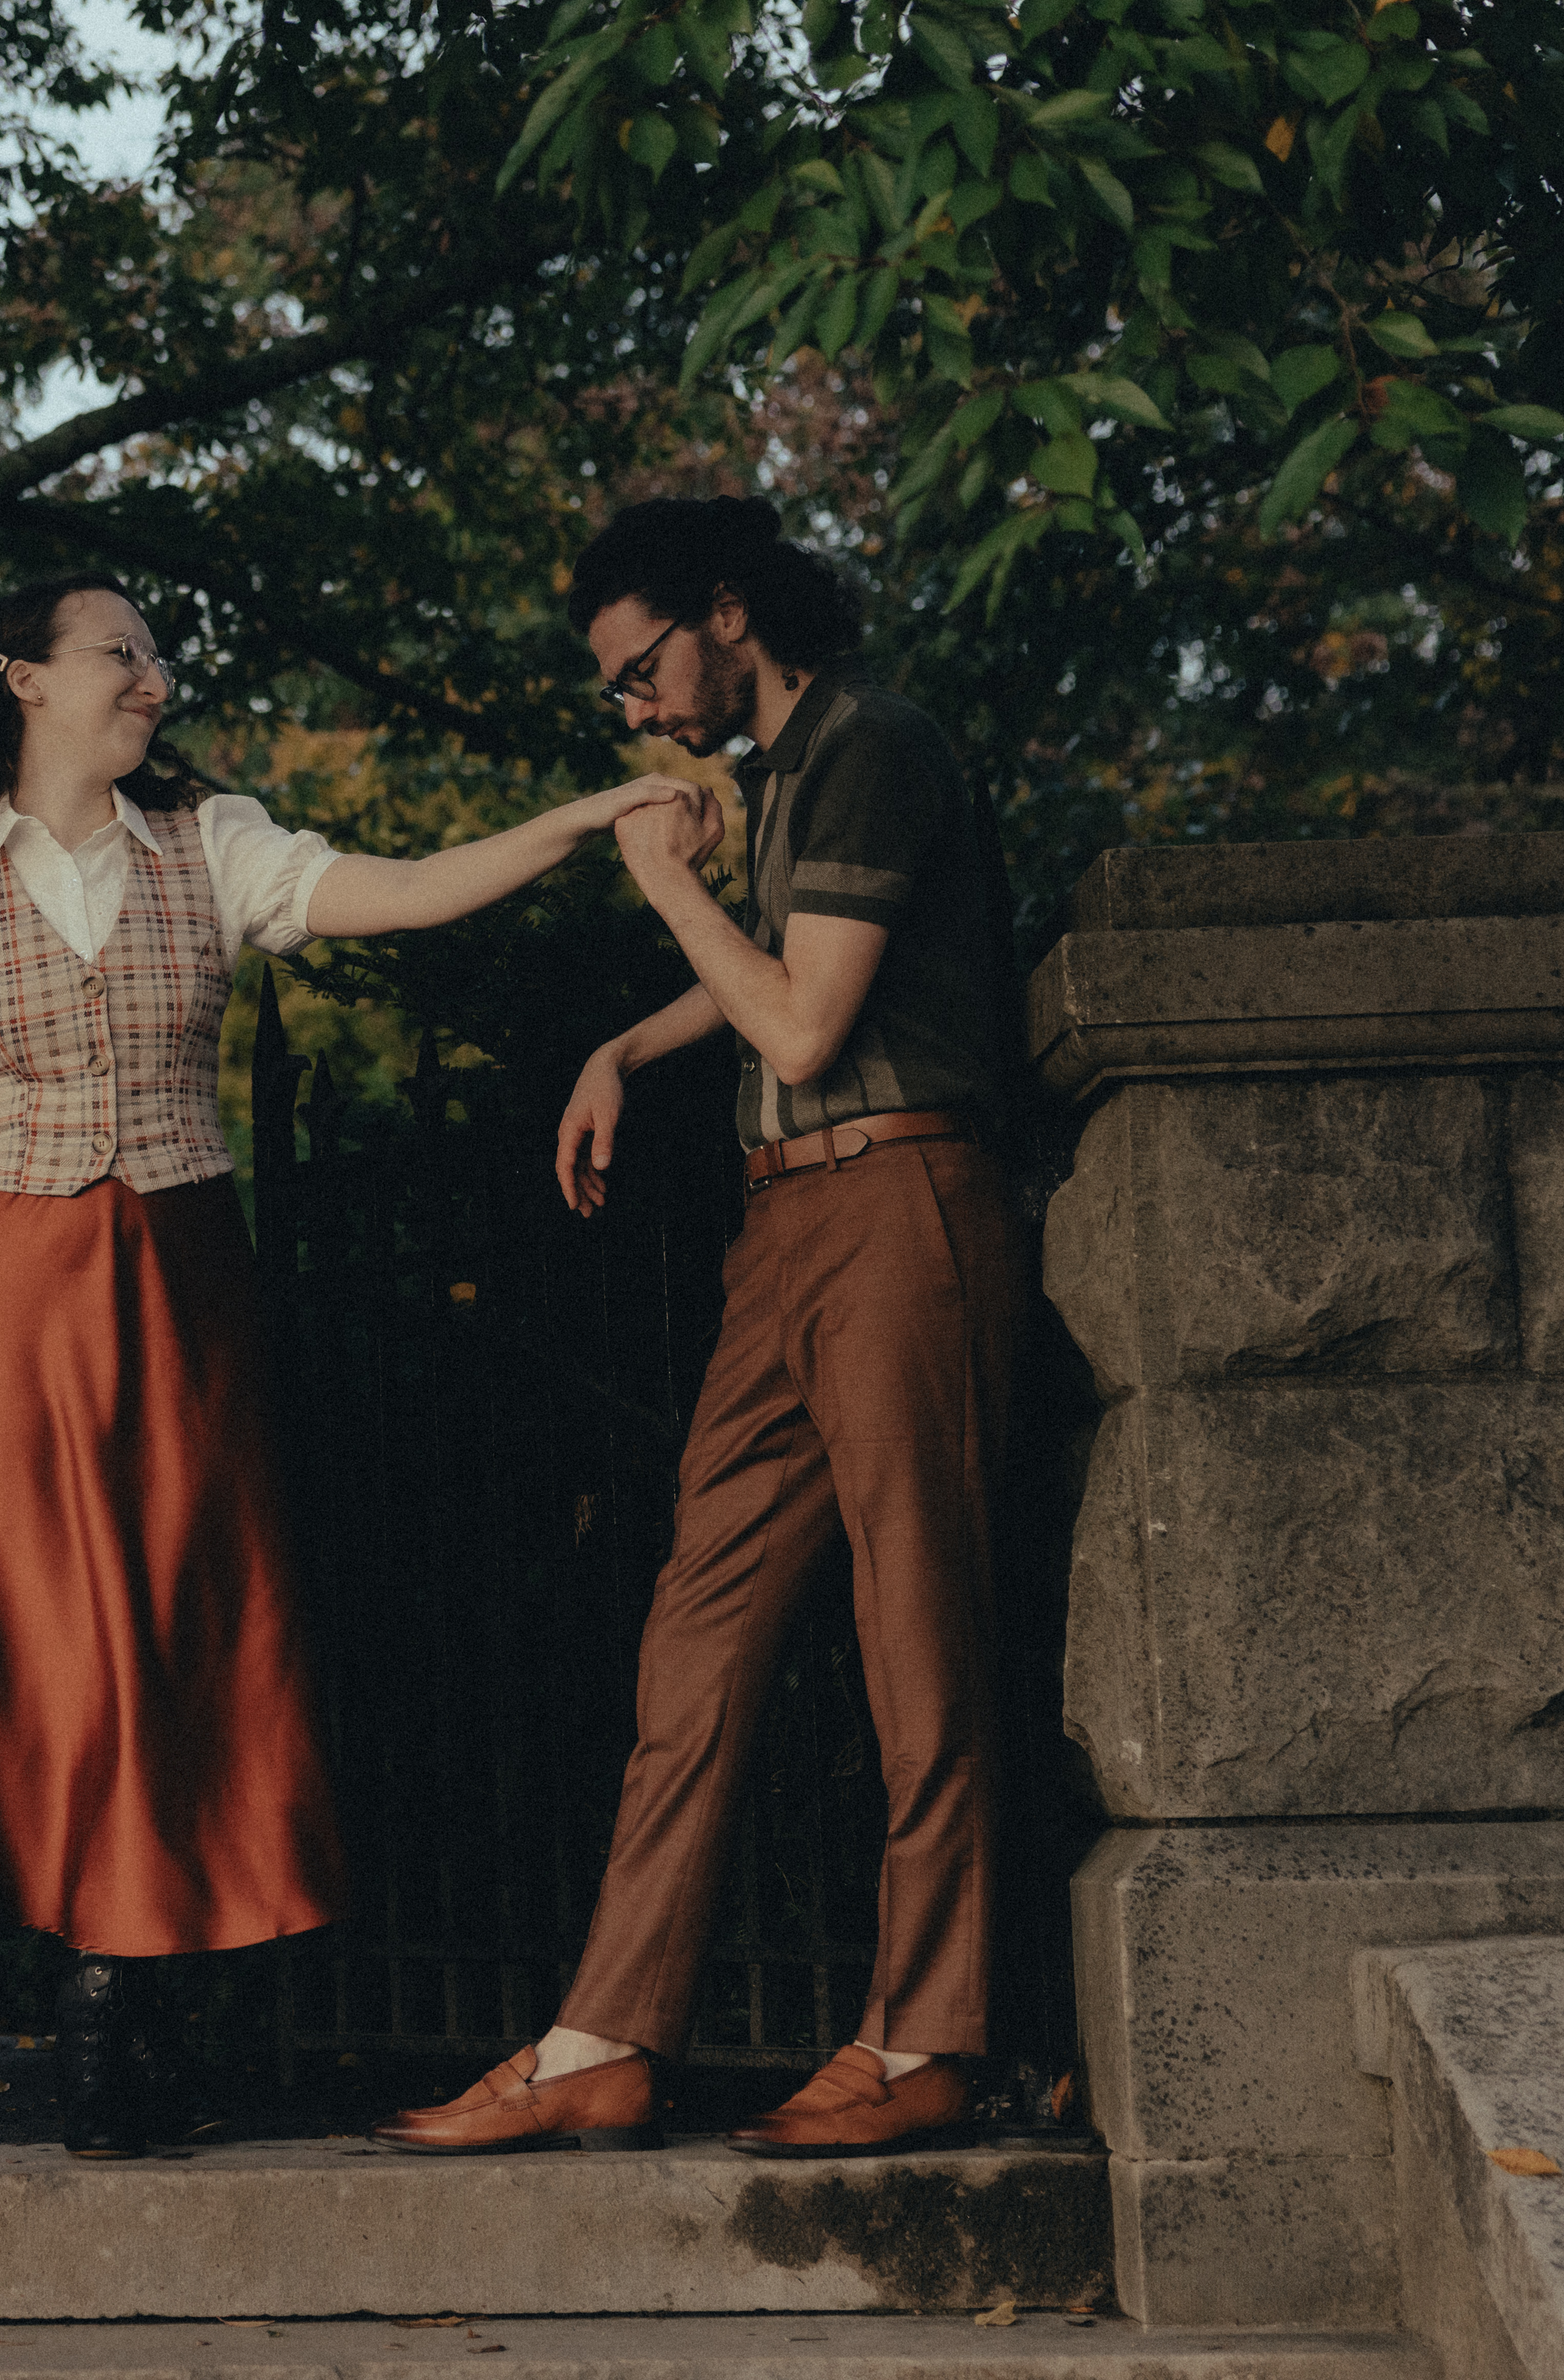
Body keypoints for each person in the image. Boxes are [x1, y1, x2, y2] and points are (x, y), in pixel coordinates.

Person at [0, 571, 694, 2159]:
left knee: (189, 1613)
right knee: (54, 1627)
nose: (155, 676)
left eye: (156, 653)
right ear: (24, 677)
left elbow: (405, 888)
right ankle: (93, 1977)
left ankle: (137, 1983)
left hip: (185, 1274)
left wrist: (583, 818)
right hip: (19, 1282)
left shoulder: (216, 844)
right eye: (121, 652)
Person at [373, 496, 1028, 2161]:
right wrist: (630, 1050)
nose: (639, 711)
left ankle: (926, 2039)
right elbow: (786, 977)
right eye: (620, 692)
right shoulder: (791, 773)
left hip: (899, 1204)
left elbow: (805, 1020)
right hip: (787, 1220)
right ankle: (603, 2039)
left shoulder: (874, 744)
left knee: (916, 1633)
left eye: (643, 668)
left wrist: (665, 888)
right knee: (698, 1631)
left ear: (731, 612)